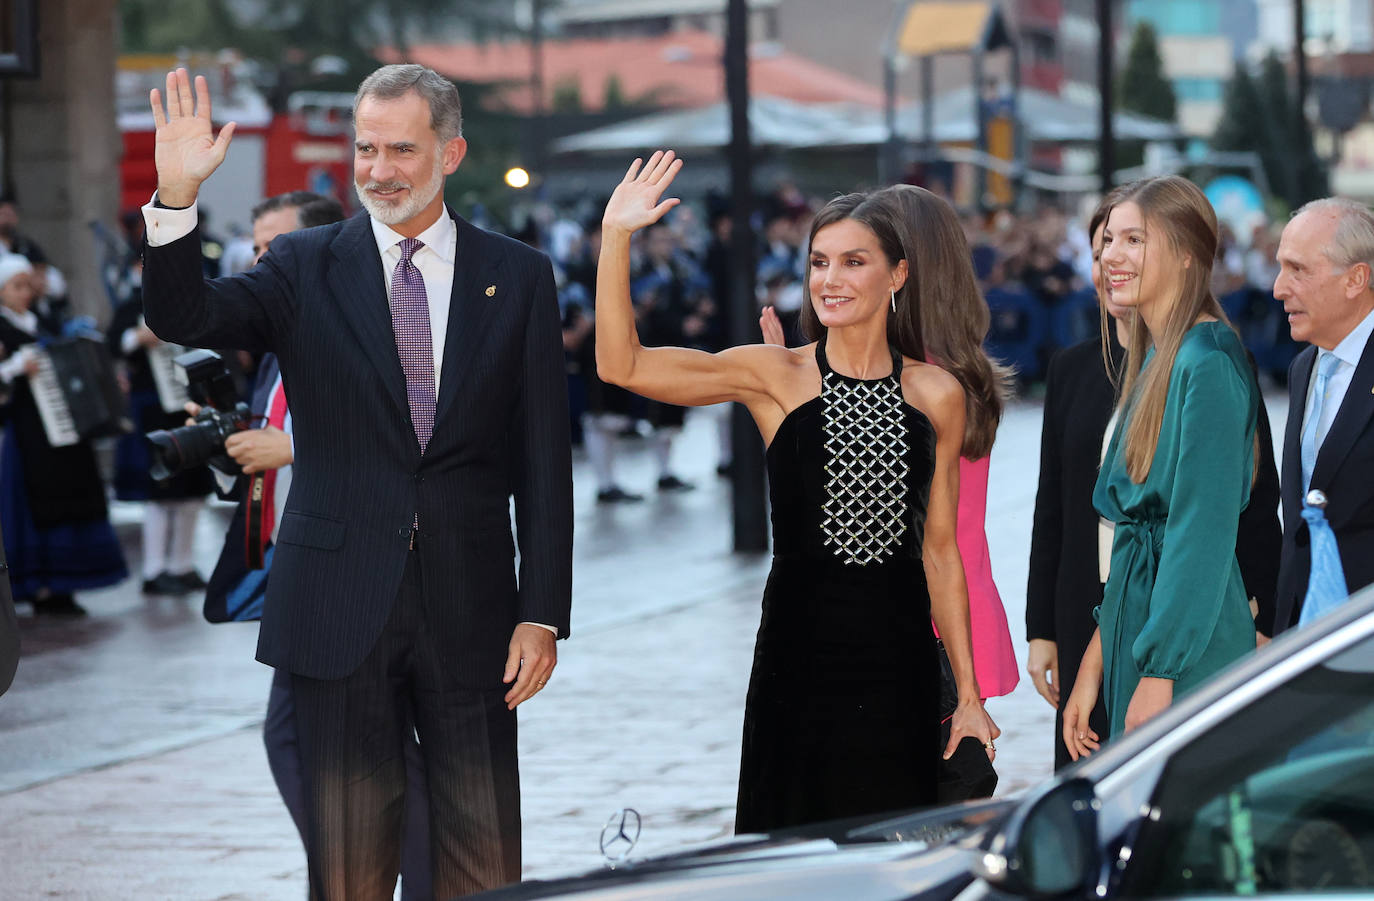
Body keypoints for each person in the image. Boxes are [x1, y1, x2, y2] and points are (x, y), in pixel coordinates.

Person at [141, 65, 572, 898]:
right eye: (365, 148)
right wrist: (175, 200)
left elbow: (542, 459)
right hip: (335, 602)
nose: (378, 168)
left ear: (451, 152)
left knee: (484, 857)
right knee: (348, 866)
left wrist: (543, 610)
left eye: (401, 148)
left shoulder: (517, 275)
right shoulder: (303, 264)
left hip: (474, 606)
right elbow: (183, 317)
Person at [596, 151, 997, 833]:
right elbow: (621, 363)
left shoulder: (938, 395)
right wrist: (616, 237)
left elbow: (940, 554)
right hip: (797, 658)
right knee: (791, 855)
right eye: (818, 262)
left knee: (895, 856)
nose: (829, 279)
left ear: (899, 273)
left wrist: (969, 695)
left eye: (852, 261)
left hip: (899, 665)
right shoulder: (774, 375)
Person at [1029, 193, 1281, 769]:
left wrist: (1160, 670)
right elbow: (1131, 541)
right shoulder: (1162, 354)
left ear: (1189, 254)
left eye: (1134, 240)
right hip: (1138, 631)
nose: (1112, 256)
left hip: (1183, 645)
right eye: (1109, 240)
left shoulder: (1207, 361)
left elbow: (1200, 533)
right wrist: (1094, 659)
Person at [761, 184, 1020, 705]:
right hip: (954, 610)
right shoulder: (957, 369)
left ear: (905, 266)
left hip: (915, 620)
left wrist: (790, 395)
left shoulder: (917, 381)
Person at [0, 256, 128, 617]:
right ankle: (40, 586)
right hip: (26, 430)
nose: (25, 292)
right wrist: (13, 368)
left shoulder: (43, 322)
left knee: (73, 492)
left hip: (65, 427)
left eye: (28, 285)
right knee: (36, 501)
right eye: (17, 286)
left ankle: (66, 582)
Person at [1272, 198, 1374, 633]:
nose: (1278, 288)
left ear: (1356, 279)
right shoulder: (1303, 369)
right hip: (1305, 643)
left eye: (1298, 270)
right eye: (1280, 267)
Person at [109, 268, 215, 596]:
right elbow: (113, 343)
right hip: (152, 406)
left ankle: (181, 564)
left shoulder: (191, 297)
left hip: (188, 403)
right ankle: (154, 570)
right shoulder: (132, 304)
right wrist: (138, 337)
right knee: (160, 490)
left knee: (194, 489)